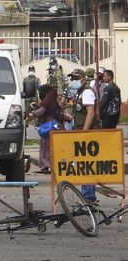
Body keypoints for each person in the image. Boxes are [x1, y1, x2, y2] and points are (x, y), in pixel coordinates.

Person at [65, 68, 99, 203]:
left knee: (87, 165)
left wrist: (84, 131)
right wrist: (71, 116)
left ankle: (88, 196)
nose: (73, 81)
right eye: (72, 79)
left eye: (75, 78)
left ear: (83, 79)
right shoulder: (80, 93)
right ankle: (87, 195)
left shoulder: (86, 92)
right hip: (81, 130)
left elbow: (90, 112)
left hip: (87, 133)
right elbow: (81, 112)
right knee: (84, 165)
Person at [27, 85, 71, 173]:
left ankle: (47, 165)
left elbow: (42, 111)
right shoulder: (53, 102)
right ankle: (51, 165)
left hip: (48, 128)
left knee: (46, 147)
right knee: (51, 147)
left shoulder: (47, 103)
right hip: (55, 127)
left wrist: (32, 114)